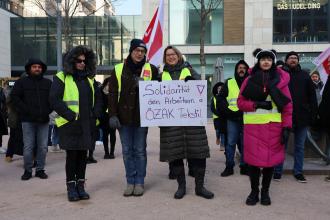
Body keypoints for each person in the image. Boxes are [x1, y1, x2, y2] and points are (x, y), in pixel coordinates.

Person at [238, 48, 292, 206]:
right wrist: (256, 104)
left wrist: (287, 127)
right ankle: (254, 192)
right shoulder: (249, 80)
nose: (266, 61)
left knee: (270, 163)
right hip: (253, 128)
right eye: (263, 59)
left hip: (273, 128)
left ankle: (265, 192)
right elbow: (241, 103)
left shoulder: (281, 82)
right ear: (258, 61)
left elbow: (288, 107)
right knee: (253, 163)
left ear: (273, 62)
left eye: (269, 59)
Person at [159, 45, 214, 200]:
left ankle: (199, 187)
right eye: (168, 55)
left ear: (178, 55)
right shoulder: (160, 75)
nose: (171, 57)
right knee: (175, 155)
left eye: (173, 54)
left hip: (192, 122)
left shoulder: (189, 70)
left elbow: (205, 88)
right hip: (171, 123)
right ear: (165, 58)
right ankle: (181, 187)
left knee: (198, 153)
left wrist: (193, 80)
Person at [49, 46, 102, 202]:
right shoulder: (61, 77)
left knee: (82, 156)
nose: (82, 64)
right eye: (78, 61)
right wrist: (70, 116)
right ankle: (71, 188)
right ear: (72, 61)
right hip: (70, 124)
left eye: (84, 61)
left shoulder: (90, 78)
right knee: (72, 157)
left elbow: (98, 99)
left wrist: (96, 115)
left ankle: (81, 186)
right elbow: (54, 99)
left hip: (87, 124)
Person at [108, 39, 158, 197]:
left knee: (140, 151)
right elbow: (112, 93)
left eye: (142, 51)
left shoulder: (152, 69)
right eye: (137, 50)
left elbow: (159, 91)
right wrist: (112, 115)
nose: (139, 54)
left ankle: (140, 182)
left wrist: (144, 85)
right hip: (123, 118)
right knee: (127, 151)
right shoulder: (118, 69)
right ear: (130, 51)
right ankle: (130, 181)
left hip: (143, 117)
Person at [273, 51, 318, 183]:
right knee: (281, 146)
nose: (293, 60)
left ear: (298, 61)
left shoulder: (305, 75)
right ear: (286, 60)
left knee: (299, 146)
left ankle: (298, 172)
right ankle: (277, 171)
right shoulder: (280, 75)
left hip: (302, 117)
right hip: (284, 117)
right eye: (290, 58)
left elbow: (312, 96)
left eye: (295, 58)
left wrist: (313, 114)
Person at [11, 58, 52, 180]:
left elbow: (53, 99)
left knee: (43, 147)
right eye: (34, 67)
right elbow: (15, 98)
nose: (37, 69)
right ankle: (28, 170)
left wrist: (47, 111)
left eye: (39, 67)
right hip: (27, 120)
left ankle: (40, 169)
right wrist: (26, 110)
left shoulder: (48, 83)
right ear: (29, 68)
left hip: (43, 120)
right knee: (28, 147)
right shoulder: (21, 82)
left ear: (42, 69)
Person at [219, 60, 249, 176]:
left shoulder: (250, 82)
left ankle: (244, 166)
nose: (241, 69)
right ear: (236, 70)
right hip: (232, 118)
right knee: (230, 143)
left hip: (246, 117)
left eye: (243, 68)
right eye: (239, 68)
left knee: (245, 143)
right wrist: (227, 111)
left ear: (246, 70)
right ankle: (229, 166)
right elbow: (221, 98)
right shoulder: (229, 82)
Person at [100, 77, 116, 159]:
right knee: (105, 135)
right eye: (108, 84)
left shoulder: (114, 92)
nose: (110, 86)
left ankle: (112, 152)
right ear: (105, 84)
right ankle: (106, 152)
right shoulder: (101, 91)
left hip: (112, 116)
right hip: (104, 117)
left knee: (113, 134)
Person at [210, 82, 226, 151]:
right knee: (218, 131)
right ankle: (217, 137)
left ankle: (222, 145)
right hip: (216, 117)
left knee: (223, 131)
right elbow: (212, 108)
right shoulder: (213, 98)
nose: (219, 89)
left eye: (221, 88)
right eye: (218, 88)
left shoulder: (225, 97)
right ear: (217, 90)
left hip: (223, 117)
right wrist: (217, 113)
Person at [0, 86, 8, 154]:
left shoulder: (1, 90)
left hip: (1, 114)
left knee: (0, 131)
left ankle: (0, 146)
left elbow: (4, 102)